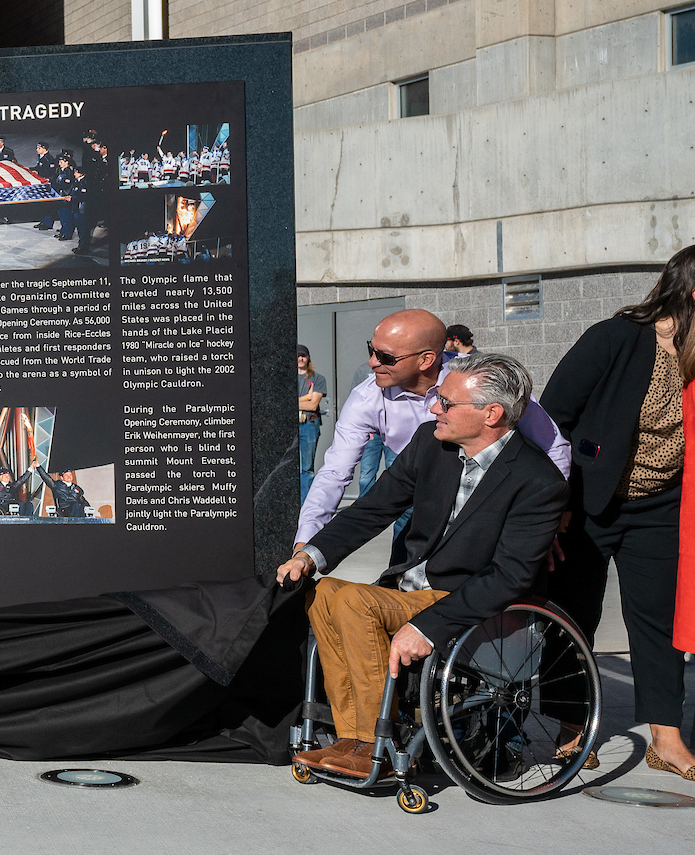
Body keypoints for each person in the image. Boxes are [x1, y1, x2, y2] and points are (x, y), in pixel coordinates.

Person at [277, 353, 567, 778]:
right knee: (323, 593)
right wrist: (309, 555)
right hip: (410, 589)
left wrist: (430, 624)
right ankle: (352, 736)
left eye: (447, 403)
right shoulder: (432, 443)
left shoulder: (538, 483)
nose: (434, 409)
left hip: (465, 603)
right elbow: (373, 509)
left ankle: (378, 739)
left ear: (492, 413)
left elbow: (510, 576)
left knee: (356, 600)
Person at [542, 247, 693, 778]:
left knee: (656, 619)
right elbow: (551, 418)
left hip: (661, 504)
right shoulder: (616, 337)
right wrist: (555, 502)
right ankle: (570, 723)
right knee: (572, 612)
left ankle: (666, 737)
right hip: (586, 501)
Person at [294, 308, 568, 548]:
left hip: (491, 503)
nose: (372, 362)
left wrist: (549, 521)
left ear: (426, 359)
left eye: (386, 357)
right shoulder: (366, 398)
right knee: (403, 582)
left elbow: (552, 445)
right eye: (371, 350)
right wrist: (307, 540)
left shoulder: (483, 379)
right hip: (417, 503)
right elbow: (335, 472)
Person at [295, 345, 327, 505]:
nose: (300, 358)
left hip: (309, 424)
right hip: (290, 426)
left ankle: (305, 505)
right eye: (297, 355)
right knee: (287, 465)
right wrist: (305, 397)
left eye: (303, 356)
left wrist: (309, 399)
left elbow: (313, 405)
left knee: (306, 467)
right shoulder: (285, 379)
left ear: (308, 358)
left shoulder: (318, 379)